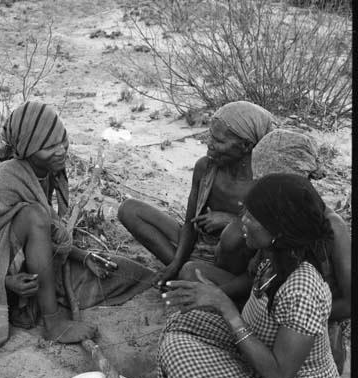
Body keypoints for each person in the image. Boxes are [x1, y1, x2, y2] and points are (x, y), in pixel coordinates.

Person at [157, 173, 350, 378]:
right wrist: (212, 300)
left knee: (182, 359)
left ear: (279, 230)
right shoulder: (274, 260)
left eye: (252, 216)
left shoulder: (303, 287)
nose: (242, 220)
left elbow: (278, 377)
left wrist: (226, 307)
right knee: (181, 332)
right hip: (266, 368)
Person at [0, 101, 154, 355]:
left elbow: (49, 236)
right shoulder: (1, 182)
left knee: (127, 274)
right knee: (34, 216)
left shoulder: (45, 171)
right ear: (28, 150)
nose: (60, 150)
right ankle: (53, 323)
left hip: (35, 273)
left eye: (61, 140)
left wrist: (83, 256)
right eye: (48, 147)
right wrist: (6, 282)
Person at [185, 129, 351, 374]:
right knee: (192, 275)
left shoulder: (331, 228)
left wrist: (282, 320)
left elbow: (349, 303)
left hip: (307, 330)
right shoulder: (271, 218)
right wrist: (216, 294)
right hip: (271, 305)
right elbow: (258, 278)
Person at [117, 100, 277, 288]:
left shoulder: (264, 183)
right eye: (210, 136)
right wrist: (175, 264)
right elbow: (189, 224)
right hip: (199, 245)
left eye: (219, 141)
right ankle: (188, 273)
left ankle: (208, 282)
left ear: (246, 146)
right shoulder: (206, 168)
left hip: (235, 264)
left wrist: (230, 220)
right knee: (130, 209)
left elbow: (269, 240)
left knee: (233, 235)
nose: (209, 144)